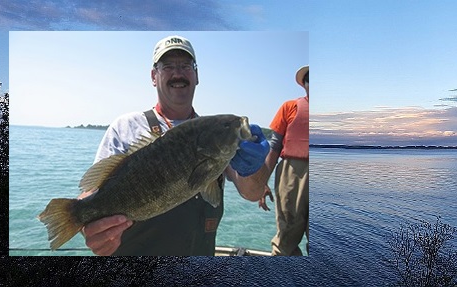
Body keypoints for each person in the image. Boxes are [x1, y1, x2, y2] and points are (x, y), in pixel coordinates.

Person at [77, 35, 269, 256]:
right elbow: (92, 193)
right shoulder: (126, 127)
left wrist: (254, 167)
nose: (178, 73)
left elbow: (252, 192)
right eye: (168, 66)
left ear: (196, 76)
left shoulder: (212, 135)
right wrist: (85, 224)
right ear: (153, 76)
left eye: (186, 66)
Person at [258, 65, 309, 256]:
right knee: (286, 237)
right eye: (310, 78)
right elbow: (275, 145)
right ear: (304, 84)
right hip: (292, 173)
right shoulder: (289, 107)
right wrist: (262, 182)